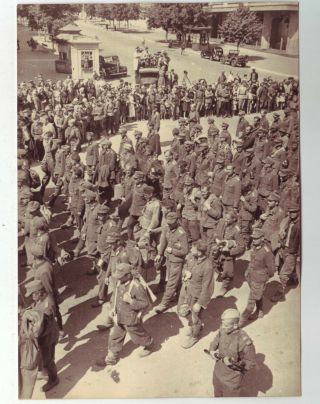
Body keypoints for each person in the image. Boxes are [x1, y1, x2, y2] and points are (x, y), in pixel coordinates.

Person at [95, 263, 154, 366]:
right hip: (119, 316)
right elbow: (115, 296)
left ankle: (149, 344)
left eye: (120, 276)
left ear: (128, 275)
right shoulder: (119, 282)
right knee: (115, 336)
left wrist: (131, 301)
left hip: (131, 319)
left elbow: (145, 303)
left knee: (137, 336)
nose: (118, 278)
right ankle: (111, 357)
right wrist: (112, 308)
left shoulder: (136, 286)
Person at [208, 308, 256, 397]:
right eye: (222, 324)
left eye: (226, 325)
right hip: (218, 373)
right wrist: (212, 350)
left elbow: (250, 362)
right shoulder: (223, 330)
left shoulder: (244, 341)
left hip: (231, 380)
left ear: (235, 325)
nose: (222, 327)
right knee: (217, 395)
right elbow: (216, 340)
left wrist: (233, 363)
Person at [24, 279, 60, 392]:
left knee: (48, 360)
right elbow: (36, 307)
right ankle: (45, 372)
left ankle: (53, 379)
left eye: (33, 295)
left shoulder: (47, 305)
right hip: (47, 335)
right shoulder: (41, 300)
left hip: (47, 338)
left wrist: (33, 333)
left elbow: (43, 326)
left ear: (39, 293)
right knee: (46, 357)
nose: (31, 297)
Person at [178, 240, 214, 348]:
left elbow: (207, 287)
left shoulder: (207, 266)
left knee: (195, 316)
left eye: (193, 248)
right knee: (181, 310)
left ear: (199, 252)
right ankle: (194, 325)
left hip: (197, 295)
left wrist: (200, 303)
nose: (190, 249)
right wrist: (185, 273)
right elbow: (186, 266)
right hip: (187, 290)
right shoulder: (191, 257)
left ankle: (194, 335)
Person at [239, 229, 275, 326]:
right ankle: (260, 311)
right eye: (253, 238)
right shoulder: (255, 247)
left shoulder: (267, 252)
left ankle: (241, 321)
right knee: (257, 295)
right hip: (251, 276)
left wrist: (264, 277)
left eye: (256, 238)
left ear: (262, 238)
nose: (254, 240)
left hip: (259, 278)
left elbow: (271, 269)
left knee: (251, 300)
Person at [154, 212, 189, 313]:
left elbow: (185, 251)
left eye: (171, 223)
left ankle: (163, 304)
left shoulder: (182, 233)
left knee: (171, 283)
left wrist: (172, 251)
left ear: (177, 221)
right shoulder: (166, 228)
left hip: (177, 261)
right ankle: (178, 296)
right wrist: (159, 254)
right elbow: (163, 241)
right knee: (174, 280)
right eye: (168, 222)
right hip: (168, 259)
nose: (169, 224)